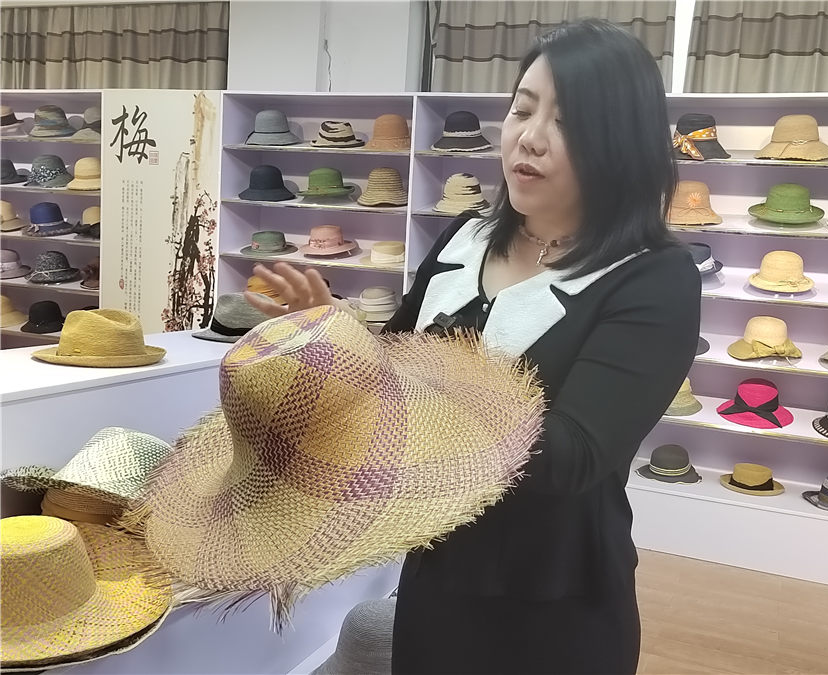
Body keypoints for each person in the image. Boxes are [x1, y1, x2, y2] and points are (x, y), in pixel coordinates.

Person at [247, 19, 700, 675]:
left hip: (554, 603)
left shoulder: (652, 278)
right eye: (522, 108)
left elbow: (568, 458)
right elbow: (390, 371)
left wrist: (395, 378)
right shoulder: (466, 237)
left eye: (567, 122)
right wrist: (333, 335)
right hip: (437, 572)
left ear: (621, 142)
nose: (530, 136)